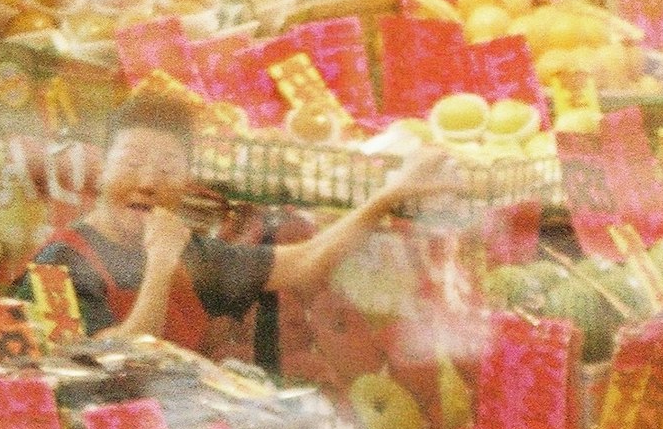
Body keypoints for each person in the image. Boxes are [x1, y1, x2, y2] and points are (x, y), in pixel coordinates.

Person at [34, 89, 452, 360]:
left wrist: (388, 196)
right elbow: (98, 371)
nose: (147, 182)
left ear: (186, 181)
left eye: (167, 167)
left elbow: (304, 262)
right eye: (132, 162)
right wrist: (161, 268)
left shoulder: (190, 251)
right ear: (103, 169)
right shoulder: (55, 264)